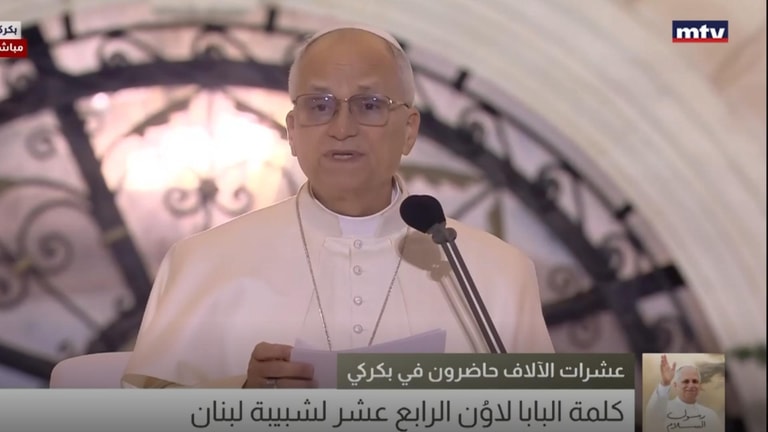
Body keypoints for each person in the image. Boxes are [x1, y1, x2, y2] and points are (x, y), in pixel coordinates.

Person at [121, 24, 554, 389]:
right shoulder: (203, 262)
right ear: (293, 131)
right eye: (319, 105)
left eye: (369, 105)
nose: (342, 128)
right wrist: (241, 399)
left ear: (409, 130)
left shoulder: (494, 272)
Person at [644, 354, 724, 431]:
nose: (691, 385)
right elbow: (652, 417)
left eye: (695, 381)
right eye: (686, 381)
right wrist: (665, 383)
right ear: (675, 385)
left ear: (699, 386)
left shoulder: (710, 416)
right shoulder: (664, 409)